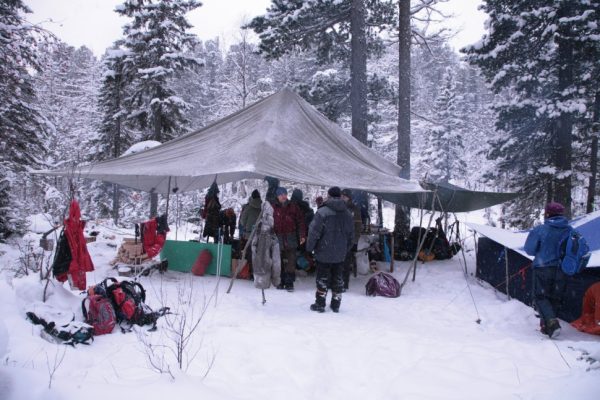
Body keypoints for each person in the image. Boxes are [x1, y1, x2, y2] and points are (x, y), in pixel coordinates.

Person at [524, 202, 570, 339]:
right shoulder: (569, 230)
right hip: (562, 269)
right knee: (554, 297)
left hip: (543, 267)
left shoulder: (541, 230)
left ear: (548, 214)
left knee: (540, 297)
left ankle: (552, 323)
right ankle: (546, 327)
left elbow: (529, 249)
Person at [306, 186, 354, 313]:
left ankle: (320, 303)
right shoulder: (348, 214)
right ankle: (336, 304)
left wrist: (310, 247)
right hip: (340, 253)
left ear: (328, 195)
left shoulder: (322, 212)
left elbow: (314, 232)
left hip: (323, 251)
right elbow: (351, 236)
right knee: (338, 277)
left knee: (322, 277)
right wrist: (344, 249)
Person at [272, 187, 306, 291]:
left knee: (291, 261)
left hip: (291, 237)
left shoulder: (293, 207)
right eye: (281, 194)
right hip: (277, 238)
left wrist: (302, 235)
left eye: (284, 194)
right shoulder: (273, 207)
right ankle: (281, 281)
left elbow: (301, 222)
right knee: (279, 261)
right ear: (277, 196)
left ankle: (290, 283)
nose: (283, 196)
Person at [341, 188, 363, 290]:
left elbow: (358, 226)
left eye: (345, 196)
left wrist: (355, 241)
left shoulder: (354, 209)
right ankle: (336, 282)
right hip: (338, 239)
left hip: (349, 240)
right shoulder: (338, 207)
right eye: (342, 196)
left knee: (346, 263)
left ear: (349, 197)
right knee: (336, 263)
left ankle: (344, 284)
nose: (343, 197)